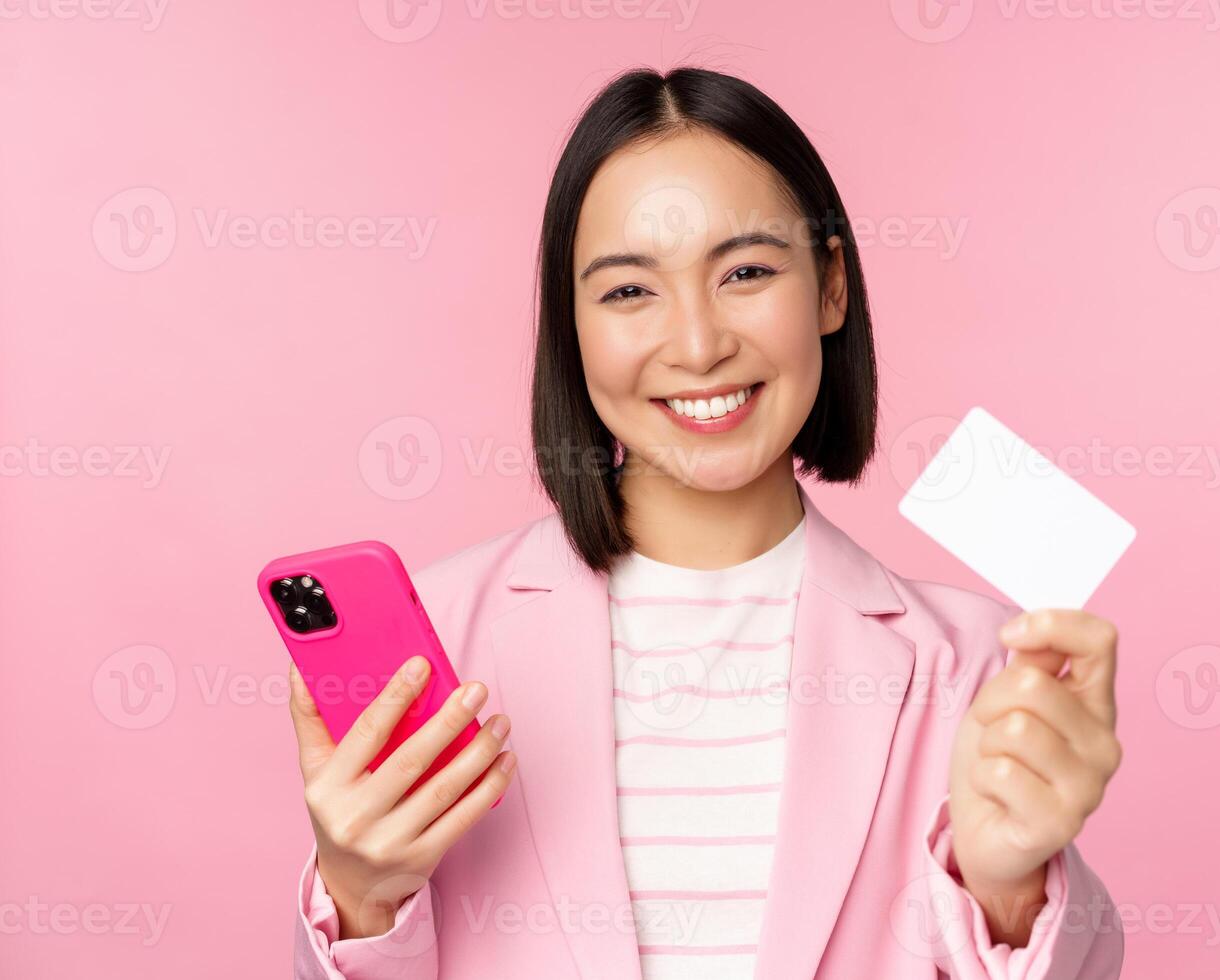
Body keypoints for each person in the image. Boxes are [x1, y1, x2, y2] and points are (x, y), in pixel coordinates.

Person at [289, 66, 1125, 980]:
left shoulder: (972, 665)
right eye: (628, 292)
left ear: (831, 286)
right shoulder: (436, 650)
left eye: (749, 272)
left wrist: (1007, 894)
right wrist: (361, 896)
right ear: (571, 328)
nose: (698, 345)